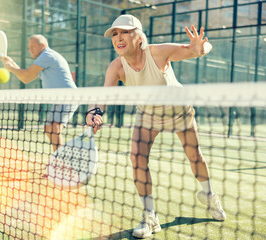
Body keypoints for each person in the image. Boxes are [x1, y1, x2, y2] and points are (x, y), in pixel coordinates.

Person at [86, 15, 226, 239]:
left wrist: (201, 48)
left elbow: (196, 48)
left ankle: (209, 196)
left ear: (138, 36)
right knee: (136, 158)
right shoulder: (116, 66)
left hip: (177, 109)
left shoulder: (157, 52)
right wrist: (95, 112)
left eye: (124, 32)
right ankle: (150, 216)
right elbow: (103, 94)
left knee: (195, 156)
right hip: (148, 114)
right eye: (114, 34)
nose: (118, 38)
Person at [1, 34, 78, 151]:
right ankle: (59, 155)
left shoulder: (47, 55)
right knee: (48, 128)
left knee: (55, 127)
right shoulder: (43, 59)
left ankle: (60, 159)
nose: (30, 49)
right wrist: (11, 64)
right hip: (60, 99)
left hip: (68, 97)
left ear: (42, 46)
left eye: (32, 46)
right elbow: (25, 78)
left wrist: (11, 68)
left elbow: (26, 74)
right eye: (29, 47)